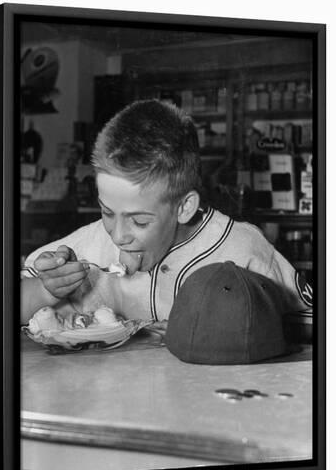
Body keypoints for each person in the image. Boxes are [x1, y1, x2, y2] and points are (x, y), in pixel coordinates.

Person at [21, 99, 312, 326]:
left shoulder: (243, 248)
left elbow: (309, 325)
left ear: (184, 207)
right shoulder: (89, 245)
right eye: (107, 212)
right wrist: (47, 290)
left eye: (139, 220)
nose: (119, 235)